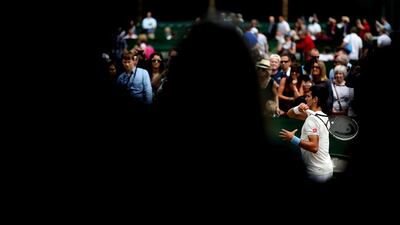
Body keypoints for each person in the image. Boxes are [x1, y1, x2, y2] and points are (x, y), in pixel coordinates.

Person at [279, 85, 333, 182]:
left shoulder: (311, 120)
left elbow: (314, 147)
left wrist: (292, 138)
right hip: (326, 168)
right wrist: (298, 108)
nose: (305, 98)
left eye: (308, 96)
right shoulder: (323, 116)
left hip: (316, 172)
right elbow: (289, 114)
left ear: (315, 99)